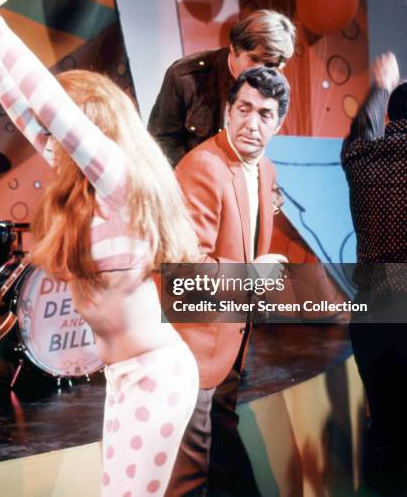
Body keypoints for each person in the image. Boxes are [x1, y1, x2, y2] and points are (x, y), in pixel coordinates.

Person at [0, 0, 200, 496]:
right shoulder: (89, 186)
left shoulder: (118, 178)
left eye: (63, 131)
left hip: (155, 375)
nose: (50, 139)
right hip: (127, 376)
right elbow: (28, 116)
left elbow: (50, 106)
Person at [167, 67, 290, 496]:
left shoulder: (266, 170)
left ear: (279, 123)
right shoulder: (203, 166)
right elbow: (184, 272)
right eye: (243, 109)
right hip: (194, 347)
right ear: (227, 110)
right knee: (189, 478)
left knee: (219, 464)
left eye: (264, 114)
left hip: (233, 340)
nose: (251, 124)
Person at [341, 52, 407, 495]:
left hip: (371, 311)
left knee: (385, 420)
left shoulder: (360, 156)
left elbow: (361, 128)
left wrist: (380, 86)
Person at [148, 9, 296, 166]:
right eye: (254, 59)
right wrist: (193, 176)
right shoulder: (185, 75)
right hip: (188, 180)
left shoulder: (276, 88)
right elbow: (161, 140)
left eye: (270, 65)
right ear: (234, 48)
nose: (261, 71)